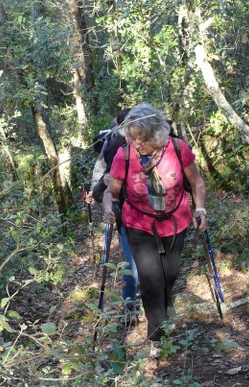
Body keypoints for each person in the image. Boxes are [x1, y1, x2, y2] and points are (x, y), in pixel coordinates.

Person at [102, 103, 208, 356]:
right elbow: (111, 192)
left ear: (156, 134)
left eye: (142, 138)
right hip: (139, 225)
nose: (137, 143)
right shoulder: (124, 155)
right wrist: (108, 206)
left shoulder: (178, 149)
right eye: (132, 137)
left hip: (176, 221)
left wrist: (200, 209)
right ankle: (157, 338)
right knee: (151, 282)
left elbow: (197, 183)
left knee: (169, 278)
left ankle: (165, 310)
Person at [83, 109, 139, 325]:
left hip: (137, 213)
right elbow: (102, 179)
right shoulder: (115, 144)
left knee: (134, 262)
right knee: (133, 262)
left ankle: (133, 306)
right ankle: (130, 306)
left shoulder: (154, 143)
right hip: (126, 212)